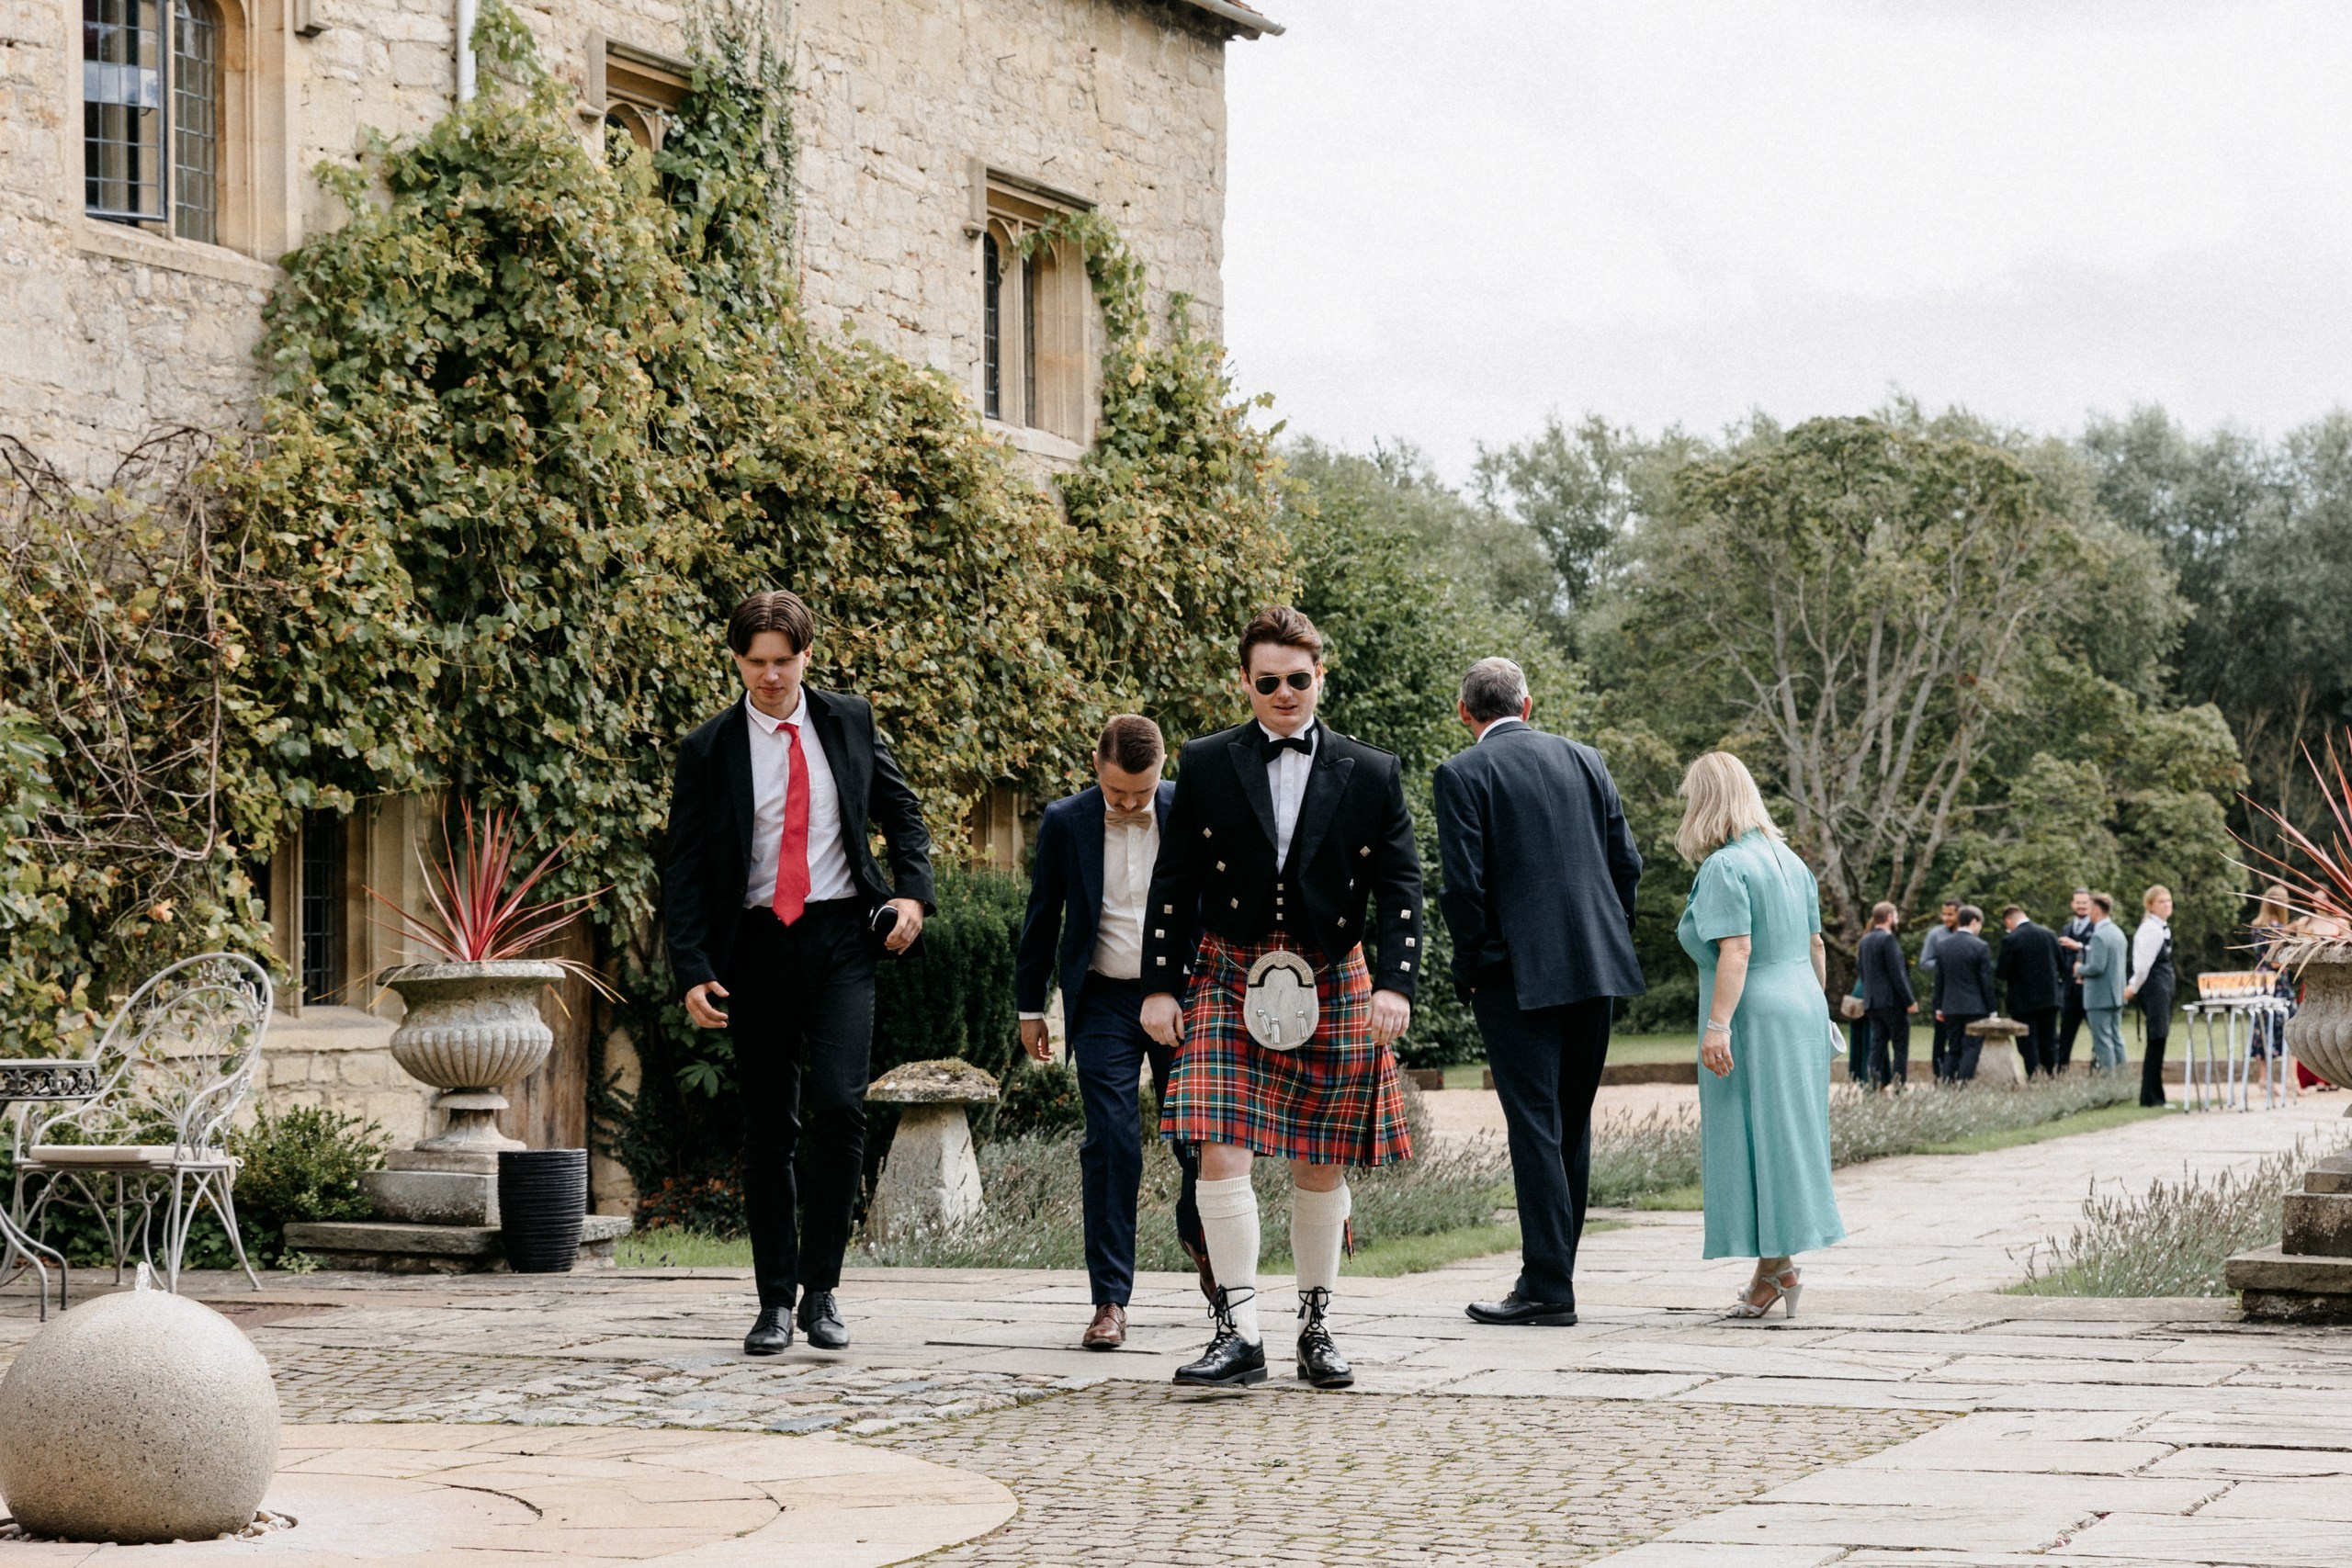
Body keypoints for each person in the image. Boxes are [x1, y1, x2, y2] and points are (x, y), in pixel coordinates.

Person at [1139, 606, 1422, 1391]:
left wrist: (1396, 981)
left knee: (1320, 1162)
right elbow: (1174, 883)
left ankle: (1317, 1327)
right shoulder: (1204, 762)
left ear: (1320, 676)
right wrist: (1160, 983)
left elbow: (1402, 883)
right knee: (1217, 1146)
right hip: (1230, 969)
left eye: (1299, 679)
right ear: (1246, 682)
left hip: (1332, 970)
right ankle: (1239, 1332)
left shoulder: (1370, 770)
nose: (1285, 694)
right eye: (1268, 682)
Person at [662, 590, 933, 1357]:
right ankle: (774, 1300)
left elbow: (902, 812)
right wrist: (691, 969)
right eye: (757, 663)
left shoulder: (848, 720)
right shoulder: (708, 749)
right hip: (754, 947)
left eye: (784, 661)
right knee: (769, 1126)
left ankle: (823, 1291)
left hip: (842, 936)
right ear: (737, 661)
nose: (771, 677)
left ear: (807, 656)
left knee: (842, 1106)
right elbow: (681, 868)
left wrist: (912, 893)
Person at [1432, 658, 1645, 1330]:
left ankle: (1549, 1284)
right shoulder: (1587, 760)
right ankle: (1552, 1274)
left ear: (1466, 712)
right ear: (1528, 704)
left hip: (1514, 974)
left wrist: (1474, 965)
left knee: (1534, 1124)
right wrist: (1608, 935)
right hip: (1595, 965)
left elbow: (1462, 887)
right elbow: (1626, 864)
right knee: (1570, 1123)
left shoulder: (1463, 772)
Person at [1014, 715, 1211, 1349]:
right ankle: (1109, 1301)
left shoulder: (1190, 808)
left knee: (1199, 1135)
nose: (1129, 803)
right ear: (1096, 765)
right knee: (1111, 1139)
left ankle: (1201, 1231)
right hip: (1101, 998)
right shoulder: (1066, 819)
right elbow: (1042, 914)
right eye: (1118, 793)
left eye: (1141, 793)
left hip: (1183, 995)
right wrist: (1029, 1006)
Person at [1676, 751, 1844, 1317]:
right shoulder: (1792, 861)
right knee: (1783, 1138)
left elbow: (1737, 947)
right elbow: (1817, 946)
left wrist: (1718, 1024)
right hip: (1800, 1004)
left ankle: (1776, 1271)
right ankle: (1775, 1272)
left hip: (1753, 1012)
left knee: (1753, 1140)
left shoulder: (1726, 866)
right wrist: (1818, 1010)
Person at [1995, 904, 2064, 1077]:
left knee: (2028, 1041)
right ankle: (2050, 1075)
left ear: (2009, 920)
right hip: (2049, 998)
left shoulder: (2011, 940)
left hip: (2023, 1001)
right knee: (2048, 1040)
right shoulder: (2049, 934)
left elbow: (2003, 972)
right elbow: (2061, 965)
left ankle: (2033, 1075)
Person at [2124, 885, 2177, 1107]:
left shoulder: (2163, 928)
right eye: (2161, 901)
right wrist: (2133, 987)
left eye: (2169, 901)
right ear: (2151, 905)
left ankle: (2156, 1094)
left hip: (2163, 988)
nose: (2167, 905)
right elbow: (2142, 965)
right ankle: (2150, 1096)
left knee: (2160, 1039)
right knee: (2155, 1039)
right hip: (2154, 989)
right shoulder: (2150, 930)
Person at [1931, 905, 1996, 1081]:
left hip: (1950, 1006)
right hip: (1975, 1007)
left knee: (1953, 1048)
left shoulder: (1943, 945)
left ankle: (1947, 1082)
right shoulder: (1980, 946)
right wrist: (1992, 1009)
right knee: (1971, 1048)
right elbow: (1985, 981)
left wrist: (1939, 1007)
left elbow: (1939, 981)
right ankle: (1964, 1083)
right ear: (1974, 921)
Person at [1857, 903, 1916, 1088]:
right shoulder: (1888, 940)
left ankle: (1872, 1086)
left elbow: (1863, 972)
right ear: (1889, 916)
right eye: (1896, 915)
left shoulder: (1865, 941)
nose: (1897, 919)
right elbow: (1897, 974)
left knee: (1877, 1046)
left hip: (1872, 1002)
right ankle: (1899, 1086)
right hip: (1892, 1002)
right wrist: (1909, 1001)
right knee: (1900, 1046)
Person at [2076, 892, 2129, 1070]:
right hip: (2116, 994)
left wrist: (2079, 969)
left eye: (2090, 908)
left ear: (2097, 910)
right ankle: (2123, 1079)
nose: (2088, 912)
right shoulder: (2118, 933)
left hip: (2099, 997)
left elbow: (2097, 967)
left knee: (2102, 1041)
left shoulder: (2099, 936)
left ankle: (2109, 1081)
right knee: (2116, 1038)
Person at [1919, 899, 1964, 1080]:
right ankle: (1939, 1076)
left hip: (1965, 994)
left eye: (1950, 914)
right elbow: (1924, 962)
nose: (1945, 918)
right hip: (1943, 994)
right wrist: (1948, 964)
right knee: (1941, 1037)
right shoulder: (1935, 935)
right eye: (1943, 914)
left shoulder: (1967, 932)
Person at [2055, 888, 2096, 1068]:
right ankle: (2060, 1071)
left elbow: (2098, 953)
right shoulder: (2066, 928)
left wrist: (2078, 946)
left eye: (2085, 903)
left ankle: (2099, 1069)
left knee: (2097, 1032)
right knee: (2065, 1034)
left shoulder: (2096, 927)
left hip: (2090, 989)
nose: (2081, 906)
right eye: (2078, 902)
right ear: (2072, 904)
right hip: (2070, 991)